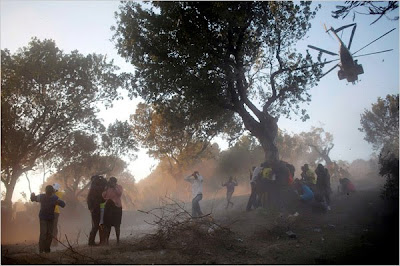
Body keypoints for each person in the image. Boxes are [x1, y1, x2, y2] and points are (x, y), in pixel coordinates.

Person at [31, 185, 66, 253]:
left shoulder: (45, 197)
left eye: (49, 192)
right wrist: (32, 196)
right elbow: (63, 204)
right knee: (46, 233)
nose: (49, 193)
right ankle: (43, 250)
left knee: (47, 234)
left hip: (49, 218)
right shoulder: (49, 197)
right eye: (48, 192)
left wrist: (32, 196)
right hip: (44, 218)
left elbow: (63, 204)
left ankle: (45, 249)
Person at [102, 177, 123, 245]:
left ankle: (118, 241)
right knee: (107, 225)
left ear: (115, 182)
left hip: (117, 207)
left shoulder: (119, 187)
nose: (111, 183)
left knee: (117, 225)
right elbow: (103, 196)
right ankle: (107, 241)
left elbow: (119, 193)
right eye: (110, 181)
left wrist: (114, 187)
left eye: (112, 182)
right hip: (108, 207)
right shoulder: (107, 188)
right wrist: (105, 190)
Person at [87, 175, 107, 246]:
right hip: (96, 209)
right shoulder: (97, 188)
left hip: (97, 208)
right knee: (96, 226)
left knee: (97, 226)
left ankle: (93, 241)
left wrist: (91, 208)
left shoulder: (93, 189)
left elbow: (89, 200)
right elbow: (105, 183)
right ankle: (92, 242)